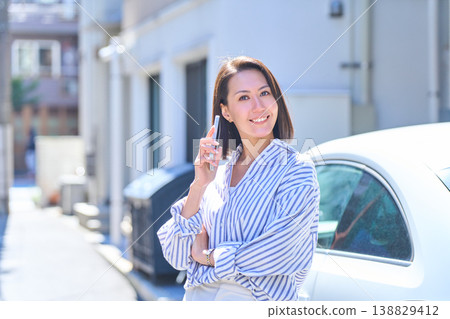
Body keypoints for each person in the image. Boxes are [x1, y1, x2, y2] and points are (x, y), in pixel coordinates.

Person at [157, 56, 320, 301]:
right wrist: (199, 185)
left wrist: (209, 257)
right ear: (226, 111)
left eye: (264, 93)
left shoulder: (296, 170)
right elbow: (176, 252)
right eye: (244, 97)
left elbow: (280, 252)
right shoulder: (218, 177)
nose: (258, 106)